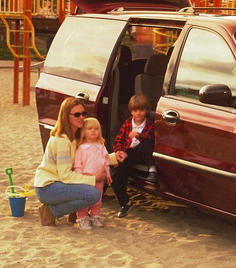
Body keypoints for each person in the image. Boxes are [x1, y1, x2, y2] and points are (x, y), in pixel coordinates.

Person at [34, 97, 120, 226]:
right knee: (93, 195)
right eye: (77, 114)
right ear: (66, 116)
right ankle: (51, 211)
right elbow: (65, 176)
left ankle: (73, 213)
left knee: (87, 187)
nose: (81, 117)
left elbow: (89, 157)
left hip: (58, 183)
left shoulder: (74, 137)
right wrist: (93, 179)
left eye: (83, 113)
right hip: (48, 187)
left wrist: (114, 157)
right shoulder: (62, 140)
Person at [111, 94, 157, 218]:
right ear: (131, 111)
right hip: (129, 152)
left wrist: (138, 135)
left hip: (143, 152)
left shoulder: (149, 124)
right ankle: (125, 203)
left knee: (147, 142)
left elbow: (151, 138)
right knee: (115, 177)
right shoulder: (127, 123)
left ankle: (152, 169)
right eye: (135, 110)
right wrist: (119, 151)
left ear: (147, 110)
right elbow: (118, 140)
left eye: (141, 110)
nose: (139, 113)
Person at [73, 118, 112, 230]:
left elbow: (106, 163)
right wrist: (80, 178)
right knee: (85, 200)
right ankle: (82, 218)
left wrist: (108, 175)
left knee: (98, 199)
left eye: (96, 129)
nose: (93, 131)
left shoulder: (101, 147)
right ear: (84, 132)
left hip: (99, 180)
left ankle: (95, 216)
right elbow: (78, 165)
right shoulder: (81, 148)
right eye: (90, 128)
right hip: (86, 180)